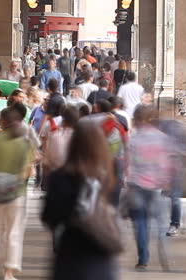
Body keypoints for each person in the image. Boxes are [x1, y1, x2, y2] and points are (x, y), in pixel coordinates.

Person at [41, 121, 119, 280]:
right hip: (100, 249)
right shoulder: (109, 175)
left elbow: (49, 216)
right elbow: (114, 207)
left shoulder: (59, 178)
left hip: (70, 250)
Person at [0, 106, 36, 279]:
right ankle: (9, 272)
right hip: (16, 193)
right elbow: (29, 171)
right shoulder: (25, 143)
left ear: (2, 122)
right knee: (14, 232)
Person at [126, 105, 171, 271]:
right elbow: (165, 163)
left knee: (140, 221)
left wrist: (128, 180)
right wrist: (166, 181)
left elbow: (128, 163)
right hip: (156, 186)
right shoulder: (162, 138)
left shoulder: (133, 139)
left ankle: (143, 258)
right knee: (160, 220)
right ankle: (164, 252)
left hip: (137, 184)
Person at [158, 117, 186, 237]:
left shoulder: (180, 127)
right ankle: (178, 219)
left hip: (175, 167)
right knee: (169, 196)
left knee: (174, 197)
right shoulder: (162, 125)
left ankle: (175, 223)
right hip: (164, 167)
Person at [94, 100, 129, 206]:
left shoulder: (96, 121)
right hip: (118, 157)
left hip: (102, 157)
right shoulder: (120, 120)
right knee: (117, 182)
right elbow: (125, 139)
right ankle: (114, 205)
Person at [42, 105, 78, 175]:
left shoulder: (55, 136)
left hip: (55, 175)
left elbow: (48, 161)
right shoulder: (81, 137)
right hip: (73, 177)